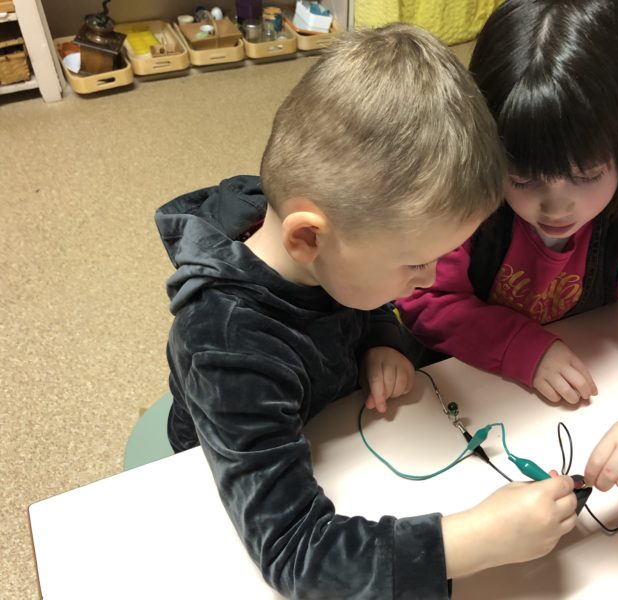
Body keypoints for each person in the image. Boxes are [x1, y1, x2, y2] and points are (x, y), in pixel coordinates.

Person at [156, 24, 578, 600]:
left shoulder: (332, 248)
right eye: (414, 263)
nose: (429, 279)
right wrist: (476, 540)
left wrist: (381, 339)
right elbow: (295, 554)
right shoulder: (227, 347)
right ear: (308, 238)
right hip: (222, 488)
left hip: (337, 437)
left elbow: (356, 297)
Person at [396, 0, 618, 495]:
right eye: (522, 178)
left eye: (586, 175)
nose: (556, 206)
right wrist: (521, 347)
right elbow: (422, 299)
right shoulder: (466, 209)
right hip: (450, 408)